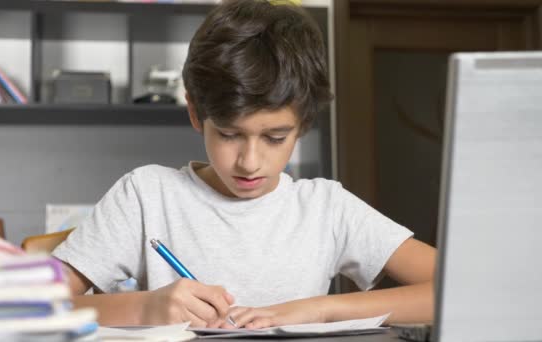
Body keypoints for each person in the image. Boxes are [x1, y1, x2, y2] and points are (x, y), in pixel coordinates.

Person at [52, 0, 435, 329]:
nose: (250, 162)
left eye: (275, 137)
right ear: (196, 113)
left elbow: (455, 289)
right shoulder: (146, 195)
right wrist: (143, 307)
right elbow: (34, 306)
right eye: (230, 135)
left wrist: (320, 310)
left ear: (303, 124)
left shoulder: (326, 209)